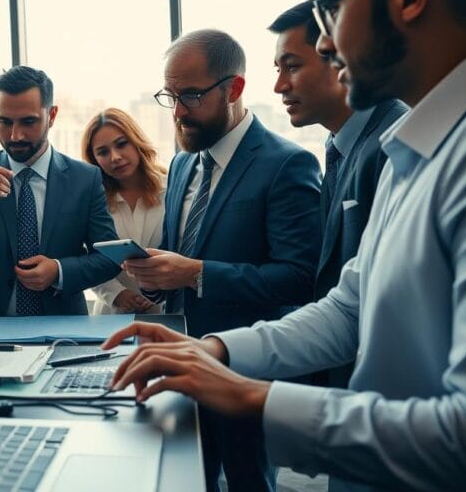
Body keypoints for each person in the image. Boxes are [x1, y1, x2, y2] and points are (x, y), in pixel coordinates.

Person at [106, 0, 466, 490]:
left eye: (332, 8)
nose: (325, 40)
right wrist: (215, 350)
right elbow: (350, 308)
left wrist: (252, 398)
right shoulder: (416, 143)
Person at [124, 29, 322, 492]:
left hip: (242, 370)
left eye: (190, 95)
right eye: (170, 96)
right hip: (179, 362)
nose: (177, 111)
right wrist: (155, 279)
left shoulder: (287, 164)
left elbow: (300, 278)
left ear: (234, 89)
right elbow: (179, 256)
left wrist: (195, 274)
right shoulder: (180, 165)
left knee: (250, 481)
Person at [270, 0, 407, 387]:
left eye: (292, 66)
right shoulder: (341, 147)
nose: (280, 85)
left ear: (338, 56)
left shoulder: (395, 143)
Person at [0, 65, 120, 316]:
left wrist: (59, 271)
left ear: (52, 115)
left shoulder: (85, 179)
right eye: (5, 122)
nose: (15, 135)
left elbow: (109, 258)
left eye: (28, 121)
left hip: (63, 330)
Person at [81, 108, 167, 314]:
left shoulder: (173, 187)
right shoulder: (92, 199)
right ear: (94, 159)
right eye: (103, 152)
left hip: (167, 310)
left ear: (136, 141)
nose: (115, 157)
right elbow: (84, 257)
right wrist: (115, 293)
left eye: (121, 144)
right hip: (111, 315)